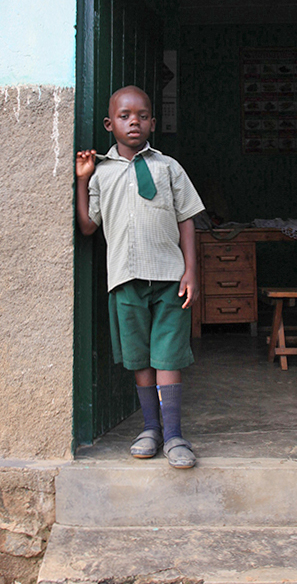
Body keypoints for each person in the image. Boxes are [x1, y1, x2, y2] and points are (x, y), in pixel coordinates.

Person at [75, 85, 205, 469]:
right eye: (125, 116)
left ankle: (175, 434)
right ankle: (151, 428)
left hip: (169, 278)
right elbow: (86, 226)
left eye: (143, 115)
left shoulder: (168, 167)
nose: (134, 122)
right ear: (109, 124)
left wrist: (191, 271)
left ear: (152, 121)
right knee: (140, 359)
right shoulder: (101, 175)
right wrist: (82, 179)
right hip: (126, 280)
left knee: (168, 354)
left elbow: (186, 219)